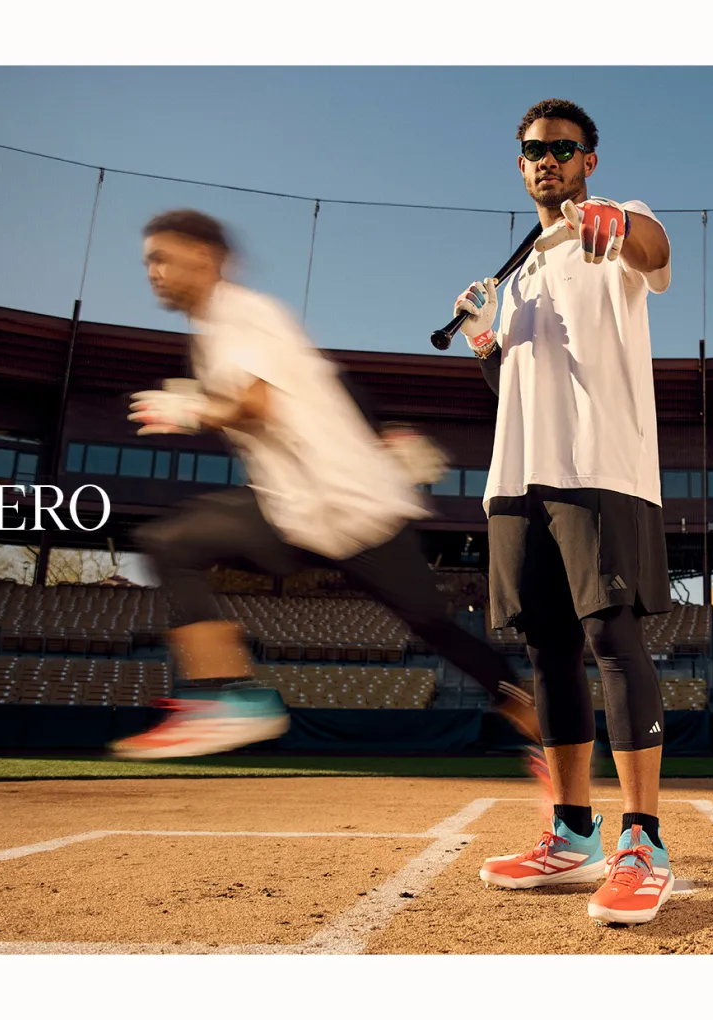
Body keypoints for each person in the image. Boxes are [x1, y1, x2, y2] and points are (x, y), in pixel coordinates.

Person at [110, 208, 542, 762]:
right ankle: (225, 697)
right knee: (171, 545)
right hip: (299, 513)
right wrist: (380, 433)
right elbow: (327, 384)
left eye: (161, 258)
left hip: (353, 508)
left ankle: (545, 731)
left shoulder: (243, 312)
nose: (153, 271)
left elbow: (257, 400)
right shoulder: (215, 334)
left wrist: (195, 408)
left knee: (437, 628)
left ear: (202, 256)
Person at [451, 99, 676, 924]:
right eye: (533, 150)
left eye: (562, 147)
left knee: (612, 639)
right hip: (518, 476)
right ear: (520, 166)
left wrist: (618, 223)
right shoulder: (514, 276)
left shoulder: (613, 223)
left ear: (588, 160)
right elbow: (513, 386)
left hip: (601, 467)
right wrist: (485, 342)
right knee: (548, 651)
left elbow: (656, 251)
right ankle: (573, 832)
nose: (546, 159)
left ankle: (643, 842)